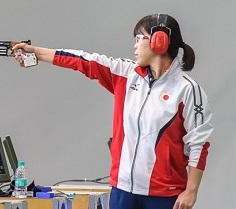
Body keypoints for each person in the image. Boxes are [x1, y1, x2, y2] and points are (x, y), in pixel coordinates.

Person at [12, 14, 213, 209]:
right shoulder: (126, 74)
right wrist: (35, 52)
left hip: (164, 195)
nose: (134, 46)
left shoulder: (187, 89)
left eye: (138, 39)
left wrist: (191, 191)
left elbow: (199, 144)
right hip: (122, 190)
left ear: (159, 41)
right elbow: (83, 60)